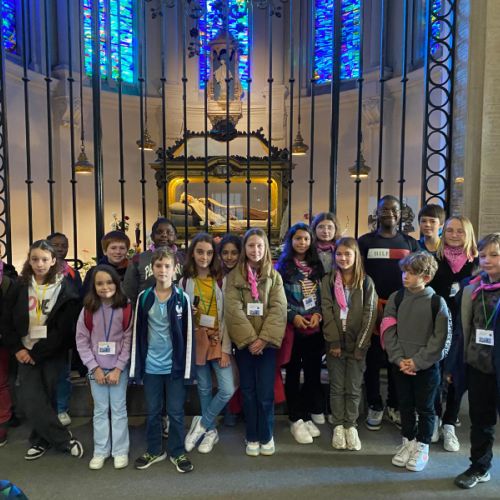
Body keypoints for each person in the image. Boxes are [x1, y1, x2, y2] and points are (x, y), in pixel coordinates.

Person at [1, 240, 83, 460]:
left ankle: (40, 441)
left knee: (48, 398)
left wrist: (36, 353)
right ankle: (64, 440)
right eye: (35, 259)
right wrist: (18, 349)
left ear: (54, 261)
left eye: (45, 259)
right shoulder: (19, 286)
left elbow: (64, 328)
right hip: (24, 351)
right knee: (30, 399)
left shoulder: (65, 288)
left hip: (51, 352)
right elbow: (6, 320)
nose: (39, 264)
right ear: (29, 260)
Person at [382, 251, 450, 472]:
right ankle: (408, 441)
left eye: (411, 273)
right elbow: (388, 330)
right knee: (405, 405)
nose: (405, 276)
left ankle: (422, 446)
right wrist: (399, 359)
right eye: (404, 272)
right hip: (400, 365)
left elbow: (439, 338)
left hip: (427, 368)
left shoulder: (437, 302)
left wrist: (418, 361)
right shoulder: (396, 298)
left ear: (426, 277)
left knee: (426, 408)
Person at [130, 248, 195, 473]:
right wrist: (137, 367)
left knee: (176, 412)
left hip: (174, 367)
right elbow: (138, 333)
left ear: (175, 269)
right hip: (151, 366)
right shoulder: (144, 297)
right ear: (152, 268)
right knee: (153, 411)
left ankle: (177, 452)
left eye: (167, 266)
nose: (163, 270)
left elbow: (188, 336)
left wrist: (188, 370)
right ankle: (155, 450)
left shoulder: (182, 298)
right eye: (158, 266)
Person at [358, 195, 419, 431]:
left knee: (397, 358)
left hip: (401, 309)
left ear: (400, 214)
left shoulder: (410, 243)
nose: (389, 213)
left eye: (394, 210)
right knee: (372, 360)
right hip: (372, 308)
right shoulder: (365, 242)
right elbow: (358, 274)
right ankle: (374, 404)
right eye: (384, 209)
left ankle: (394, 404)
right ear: (378, 212)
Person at [224, 228, 287, 456]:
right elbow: (233, 310)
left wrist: (263, 339)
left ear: (266, 248)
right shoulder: (234, 277)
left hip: (267, 346)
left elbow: (278, 309)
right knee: (248, 390)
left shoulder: (274, 276)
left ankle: (266, 434)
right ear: (245, 248)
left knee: (265, 392)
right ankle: (251, 434)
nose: (255, 250)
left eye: (260, 245)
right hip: (245, 345)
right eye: (251, 245)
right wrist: (251, 340)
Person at [181, 233, 236, 453]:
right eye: (200, 252)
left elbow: (229, 317)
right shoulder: (184, 281)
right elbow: (179, 317)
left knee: (227, 388)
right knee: (203, 387)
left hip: (218, 339)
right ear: (192, 253)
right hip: (198, 339)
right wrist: (188, 311)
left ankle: (202, 424)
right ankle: (211, 432)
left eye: (209, 253)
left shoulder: (222, 280)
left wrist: (226, 349)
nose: (204, 257)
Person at [321, 237, 377, 451]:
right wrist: (333, 341)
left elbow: (370, 313)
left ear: (356, 257)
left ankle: (350, 425)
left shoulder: (366, 282)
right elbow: (327, 310)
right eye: (339, 254)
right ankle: (338, 425)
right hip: (334, 344)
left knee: (353, 387)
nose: (343, 258)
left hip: (357, 344)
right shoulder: (328, 281)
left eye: (348, 254)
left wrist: (361, 345)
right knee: (337, 387)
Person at [453, 233, 500, 489]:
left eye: (494, 255)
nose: (487, 260)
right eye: (483, 255)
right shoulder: (472, 289)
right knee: (481, 421)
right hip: (478, 365)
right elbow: (464, 329)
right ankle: (479, 467)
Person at [76, 265, 132, 470]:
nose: (105, 287)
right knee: (100, 410)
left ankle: (120, 450)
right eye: (99, 283)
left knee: (118, 409)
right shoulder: (88, 309)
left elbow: (128, 340)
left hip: (118, 369)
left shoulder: (126, 307)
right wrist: (94, 368)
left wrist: (118, 368)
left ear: (117, 283)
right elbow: (82, 341)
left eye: (109, 282)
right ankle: (101, 450)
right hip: (96, 369)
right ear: (93, 286)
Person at [429, 216, 478, 451]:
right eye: (450, 230)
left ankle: (449, 422)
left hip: (464, 326)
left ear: (468, 234)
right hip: (437, 323)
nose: (454, 234)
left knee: (457, 373)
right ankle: (435, 417)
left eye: (460, 231)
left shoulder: (476, 263)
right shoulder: (434, 259)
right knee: (435, 372)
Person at [276, 223, 324, 444]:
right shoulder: (283, 267)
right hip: (292, 329)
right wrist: (293, 316)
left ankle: (305, 414)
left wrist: (318, 313)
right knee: (293, 373)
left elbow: (324, 295)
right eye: (298, 238)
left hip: (314, 329)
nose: (302, 242)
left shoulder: (317, 266)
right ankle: (295, 417)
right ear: (291, 241)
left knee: (313, 373)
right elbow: (278, 298)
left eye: (306, 238)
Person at [47, 231, 82, 427]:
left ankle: (61, 409)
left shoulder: (72, 273)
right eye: (56, 245)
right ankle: (45, 408)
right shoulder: (41, 270)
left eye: (64, 245)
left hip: (65, 331)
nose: (61, 249)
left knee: (63, 372)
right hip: (43, 331)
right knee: (45, 373)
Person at [123, 218, 185, 306]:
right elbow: (129, 291)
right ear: (152, 236)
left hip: (177, 309)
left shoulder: (184, 259)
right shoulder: (138, 259)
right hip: (147, 310)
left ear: (175, 236)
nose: (164, 235)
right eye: (159, 232)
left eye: (169, 232)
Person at [218, 233, 243, 426]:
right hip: (221, 331)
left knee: (243, 374)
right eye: (225, 253)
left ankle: (242, 410)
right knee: (227, 374)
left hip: (243, 331)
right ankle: (230, 411)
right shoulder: (216, 276)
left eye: (234, 253)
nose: (229, 257)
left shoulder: (246, 274)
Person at [81, 230, 131, 298]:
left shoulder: (132, 271)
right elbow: (86, 298)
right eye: (113, 248)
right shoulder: (94, 272)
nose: (118, 252)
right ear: (105, 251)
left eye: (122, 248)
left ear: (127, 251)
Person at [0, 261, 15, 447]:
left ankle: (2, 422)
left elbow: (10, 314)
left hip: (2, 339)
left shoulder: (8, 285)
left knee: (1, 383)